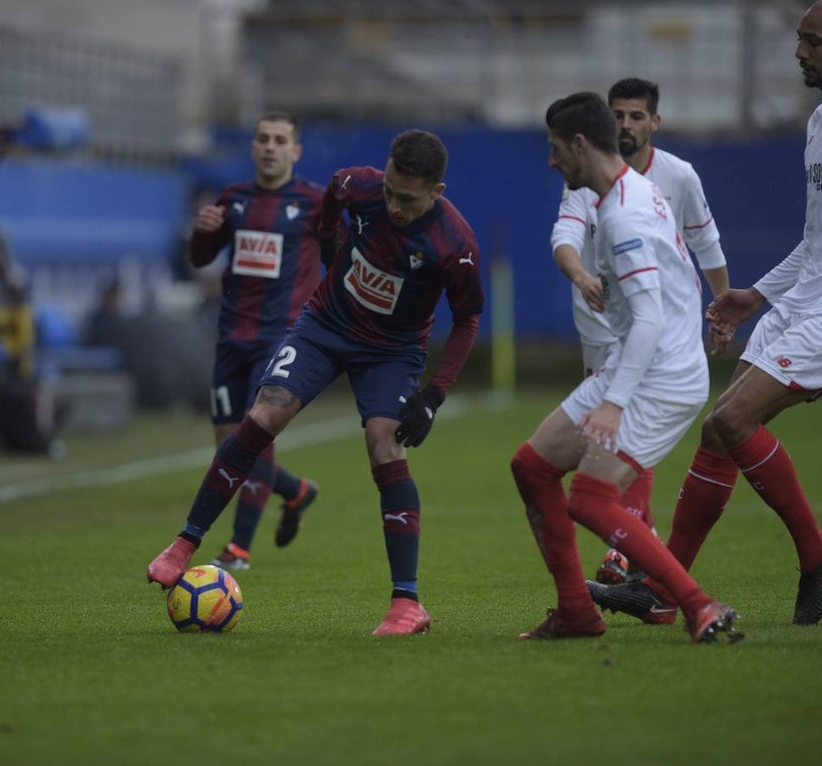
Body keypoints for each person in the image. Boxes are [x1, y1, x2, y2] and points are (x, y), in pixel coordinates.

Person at [147, 129, 485, 635]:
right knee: (263, 414)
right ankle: (184, 544)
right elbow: (334, 196)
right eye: (389, 190)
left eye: (407, 198)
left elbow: (467, 320)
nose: (392, 205)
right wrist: (331, 241)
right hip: (326, 325)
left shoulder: (454, 244)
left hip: (392, 351)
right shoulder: (360, 185)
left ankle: (406, 604)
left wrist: (434, 395)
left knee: (386, 450)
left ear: (436, 193)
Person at [590, 0, 822, 628]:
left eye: (813, 42)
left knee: (734, 419)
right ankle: (660, 586)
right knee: (717, 430)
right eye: (798, 39)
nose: (799, 52)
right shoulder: (821, 120)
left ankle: (819, 555)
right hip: (806, 295)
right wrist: (755, 295)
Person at [510, 92, 741, 644]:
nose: (551, 161)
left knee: (590, 499)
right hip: (637, 365)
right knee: (532, 466)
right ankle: (576, 612)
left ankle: (698, 605)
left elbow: (649, 318)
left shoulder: (623, 215)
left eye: (555, 149)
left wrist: (614, 403)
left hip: (660, 379)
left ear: (580, 146)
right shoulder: (629, 192)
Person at [551, 77, 732, 585]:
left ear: (655, 122)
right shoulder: (584, 178)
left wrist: (722, 310)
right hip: (599, 328)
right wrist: (582, 275)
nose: (626, 124)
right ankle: (637, 540)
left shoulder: (676, 177)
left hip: (654, 332)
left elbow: (707, 246)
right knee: (606, 442)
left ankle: (626, 552)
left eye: (636, 116)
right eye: (618, 115)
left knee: (623, 432)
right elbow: (563, 235)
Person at [188, 111, 324, 572]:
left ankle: (239, 549)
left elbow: (339, 255)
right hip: (231, 335)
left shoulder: (313, 203)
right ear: (253, 147)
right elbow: (201, 256)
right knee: (229, 446)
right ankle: (295, 490)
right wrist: (202, 232)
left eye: (280, 140)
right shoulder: (235, 199)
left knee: (256, 433)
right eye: (263, 138)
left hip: (280, 337)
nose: (270, 146)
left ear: (295, 151)